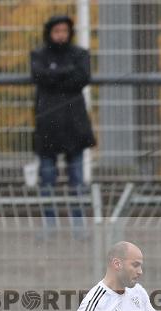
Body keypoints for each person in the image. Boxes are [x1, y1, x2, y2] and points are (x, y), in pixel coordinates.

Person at [31, 16, 96, 194]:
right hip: (48, 123)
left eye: (64, 31)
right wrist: (67, 71)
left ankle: (78, 220)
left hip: (74, 122)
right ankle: (49, 220)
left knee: (77, 178)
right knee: (47, 179)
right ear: (49, 33)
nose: (61, 35)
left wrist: (54, 74)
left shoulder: (80, 54)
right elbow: (39, 76)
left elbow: (82, 78)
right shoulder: (39, 55)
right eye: (57, 31)